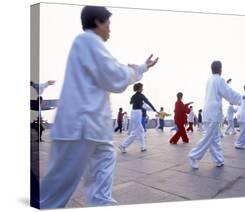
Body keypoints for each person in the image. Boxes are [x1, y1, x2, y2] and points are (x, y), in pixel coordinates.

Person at [39, 6, 159, 209]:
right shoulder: (87, 40)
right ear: (97, 22)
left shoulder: (89, 45)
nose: (110, 29)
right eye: (108, 24)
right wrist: (136, 69)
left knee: (105, 162)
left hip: (92, 129)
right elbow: (114, 76)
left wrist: (139, 68)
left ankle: (101, 204)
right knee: (55, 194)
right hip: (78, 129)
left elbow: (112, 72)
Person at [188, 61, 242, 169]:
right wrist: (241, 99)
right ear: (220, 69)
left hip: (208, 113)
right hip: (213, 114)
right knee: (208, 138)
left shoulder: (210, 80)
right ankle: (193, 156)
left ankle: (218, 160)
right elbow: (228, 92)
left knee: (215, 138)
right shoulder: (219, 80)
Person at [119, 83, 158, 153]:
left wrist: (134, 100)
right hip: (137, 113)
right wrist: (155, 110)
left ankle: (143, 147)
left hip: (133, 113)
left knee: (141, 130)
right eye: (142, 88)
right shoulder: (141, 96)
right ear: (139, 88)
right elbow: (148, 103)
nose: (143, 89)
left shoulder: (133, 96)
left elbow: (130, 102)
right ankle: (123, 146)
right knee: (135, 132)